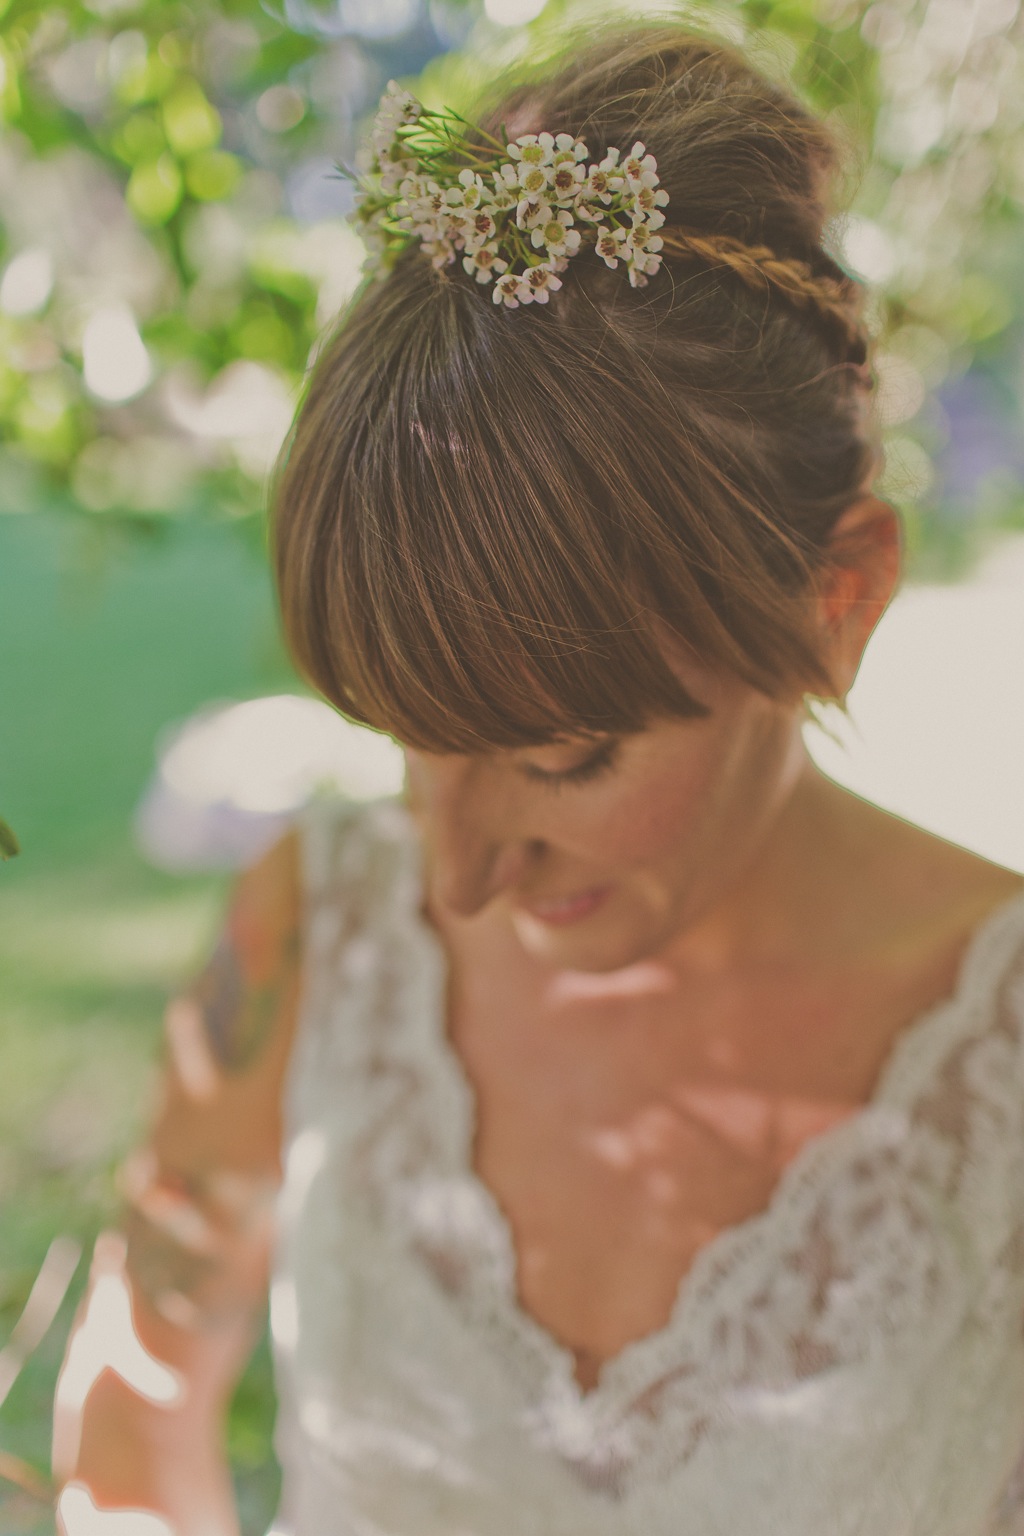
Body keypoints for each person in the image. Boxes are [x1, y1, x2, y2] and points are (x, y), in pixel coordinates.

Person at [54, 23, 1024, 1536]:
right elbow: (132, 1438)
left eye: (563, 758)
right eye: (402, 738)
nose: (452, 878)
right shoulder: (314, 934)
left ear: (837, 604)